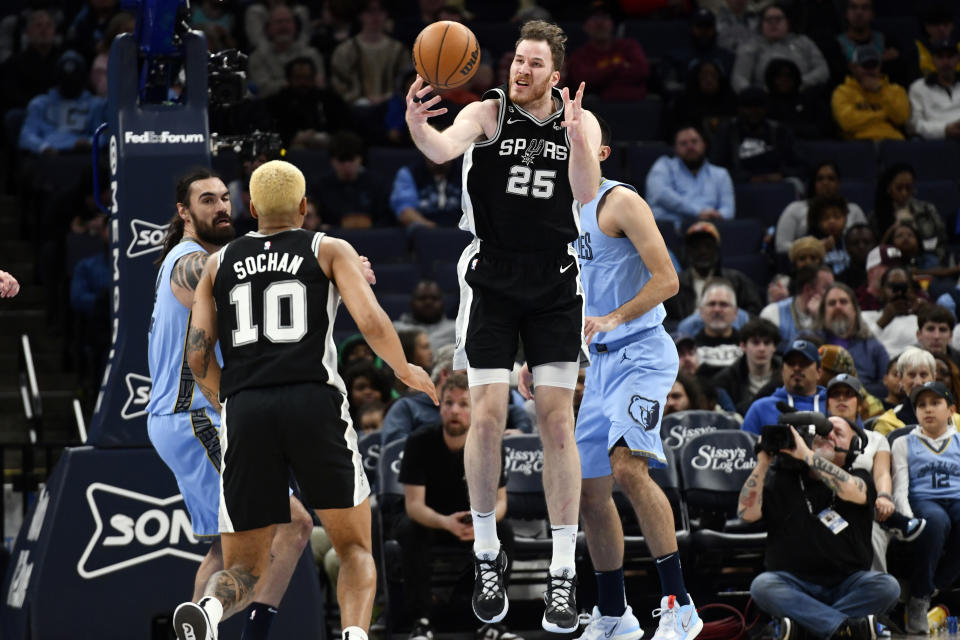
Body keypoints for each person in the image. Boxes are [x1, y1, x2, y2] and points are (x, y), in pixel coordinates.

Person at [175, 160, 438, 640]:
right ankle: (355, 636)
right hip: (313, 403)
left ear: (251, 209)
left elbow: (196, 358)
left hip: (247, 408)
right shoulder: (328, 248)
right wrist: (403, 370)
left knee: (245, 566)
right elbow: (373, 322)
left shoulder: (217, 263)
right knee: (355, 547)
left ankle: (210, 610)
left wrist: (228, 400)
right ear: (303, 208)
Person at [404, 19, 602, 632]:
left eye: (535, 64)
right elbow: (441, 147)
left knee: (555, 420)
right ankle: (487, 553)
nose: (522, 71)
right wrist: (416, 122)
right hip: (491, 275)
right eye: (518, 60)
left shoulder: (580, 121)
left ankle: (563, 574)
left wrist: (576, 141)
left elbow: (588, 193)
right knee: (486, 414)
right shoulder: (488, 115)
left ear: (555, 73)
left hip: (554, 282)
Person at [520, 120, 702, 640]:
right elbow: (561, 297)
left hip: (643, 352)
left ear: (600, 151)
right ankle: (615, 614)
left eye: (579, 140)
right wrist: (538, 353)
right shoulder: (558, 216)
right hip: (598, 364)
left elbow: (669, 280)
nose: (569, 149)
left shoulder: (619, 202)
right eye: (563, 142)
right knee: (590, 492)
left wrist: (616, 318)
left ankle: (680, 604)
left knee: (627, 470)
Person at [148, 170, 313, 640]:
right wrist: (325, 264)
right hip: (195, 416)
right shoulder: (189, 261)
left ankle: (206, 627)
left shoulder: (205, 259)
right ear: (184, 212)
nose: (222, 207)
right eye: (207, 200)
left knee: (231, 548)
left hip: (193, 418)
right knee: (292, 525)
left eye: (225, 198)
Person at [740, 415, 900, 639]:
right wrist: (763, 462)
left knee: (887, 587)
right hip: (794, 585)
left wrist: (807, 454)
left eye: (837, 433)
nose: (828, 436)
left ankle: (805, 628)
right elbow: (746, 513)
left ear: (854, 447)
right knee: (762, 586)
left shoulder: (858, 476)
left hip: (848, 584)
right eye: (822, 432)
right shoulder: (781, 477)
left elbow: (850, 490)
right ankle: (844, 628)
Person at [396, 373, 518, 640]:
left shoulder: (489, 442)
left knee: (504, 531)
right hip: (433, 522)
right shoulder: (420, 441)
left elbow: (501, 503)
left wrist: (482, 525)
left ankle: (492, 621)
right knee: (408, 529)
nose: (454, 410)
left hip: (475, 524)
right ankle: (421, 621)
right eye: (448, 403)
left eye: (463, 404)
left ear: (475, 410)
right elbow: (414, 506)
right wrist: (444, 522)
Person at [825, 374, 926, 572]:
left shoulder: (876, 439)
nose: (842, 399)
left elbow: (881, 475)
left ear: (860, 403)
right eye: (836, 395)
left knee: (872, 533)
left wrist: (885, 496)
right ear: (827, 402)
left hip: (865, 510)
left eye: (849, 394)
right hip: (827, 505)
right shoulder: (818, 436)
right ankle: (897, 523)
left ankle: (877, 594)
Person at [891, 381, 960, 634]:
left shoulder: (959, 440)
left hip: (957, 499)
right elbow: (900, 486)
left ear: (950, 409)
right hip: (924, 501)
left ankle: (934, 586)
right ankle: (919, 600)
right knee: (936, 521)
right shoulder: (903, 443)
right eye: (921, 405)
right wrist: (908, 520)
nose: (928, 410)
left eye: (935, 403)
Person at [664, 222, 762, 322]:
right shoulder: (675, 285)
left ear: (717, 249)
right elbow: (665, 321)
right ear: (688, 251)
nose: (703, 251)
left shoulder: (737, 280)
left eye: (708, 245)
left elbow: (754, 313)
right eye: (696, 246)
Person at [18, 49, 106, 155]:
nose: (69, 85)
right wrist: (42, 147)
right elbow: (26, 135)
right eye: (65, 81)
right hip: (48, 158)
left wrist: (90, 143)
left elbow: (103, 135)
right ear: (57, 79)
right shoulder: (39, 104)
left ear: (83, 79)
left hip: (82, 159)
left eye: (74, 81)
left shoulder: (96, 105)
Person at [645, 125, 734, 230]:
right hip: (669, 233)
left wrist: (714, 216)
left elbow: (728, 210)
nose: (690, 147)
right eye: (683, 143)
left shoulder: (721, 174)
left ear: (704, 144)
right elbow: (660, 194)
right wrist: (698, 212)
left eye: (694, 141)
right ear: (675, 148)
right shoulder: (663, 166)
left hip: (709, 233)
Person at [774, 163, 869, 257]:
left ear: (838, 183)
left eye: (831, 178)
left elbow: (867, 242)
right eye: (820, 179)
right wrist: (814, 247)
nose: (825, 183)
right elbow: (781, 246)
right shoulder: (795, 209)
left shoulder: (853, 209)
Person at [730, 3, 829, 93]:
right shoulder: (751, 46)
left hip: (803, 94)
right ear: (761, 24)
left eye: (778, 19)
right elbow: (739, 77)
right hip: (764, 101)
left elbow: (822, 70)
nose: (773, 23)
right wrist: (755, 95)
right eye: (768, 20)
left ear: (787, 22)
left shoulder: (803, 41)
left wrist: (800, 83)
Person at [564, 2, 650, 102]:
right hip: (598, 110)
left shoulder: (629, 46)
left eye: (605, 17)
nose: (600, 23)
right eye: (594, 18)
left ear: (613, 24)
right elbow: (582, 80)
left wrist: (602, 77)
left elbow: (642, 71)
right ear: (585, 26)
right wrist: (620, 66)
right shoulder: (579, 55)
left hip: (635, 106)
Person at [741, 339, 828, 435]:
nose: (796, 368)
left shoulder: (831, 405)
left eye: (804, 363)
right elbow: (745, 448)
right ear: (782, 371)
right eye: (791, 363)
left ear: (819, 372)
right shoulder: (761, 409)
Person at [871, 163, 947, 266]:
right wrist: (892, 230)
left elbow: (941, 241)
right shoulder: (877, 216)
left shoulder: (927, 210)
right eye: (899, 188)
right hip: (891, 264)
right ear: (889, 188)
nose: (904, 193)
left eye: (908, 188)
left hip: (927, 261)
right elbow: (875, 251)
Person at [817, 282, 889, 387]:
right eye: (832, 303)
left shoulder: (874, 347)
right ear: (823, 312)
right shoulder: (813, 342)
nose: (838, 307)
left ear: (855, 309)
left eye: (843, 302)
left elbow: (887, 385)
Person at [832, 45, 909, 141]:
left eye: (874, 65)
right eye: (865, 65)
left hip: (892, 141)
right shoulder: (843, 91)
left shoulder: (895, 90)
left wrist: (879, 91)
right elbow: (847, 123)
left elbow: (901, 118)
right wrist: (883, 115)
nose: (870, 70)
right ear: (853, 67)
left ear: (880, 66)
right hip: (859, 144)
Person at [711, 318, 782, 415]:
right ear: (743, 346)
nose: (762, 349)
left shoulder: (786, 375)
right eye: (755, 343)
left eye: (767, 343)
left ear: (774, 347)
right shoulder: (726, 379)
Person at [861, 265, 927, 357]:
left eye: (903, 287)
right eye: (893, 287)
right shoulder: (865, 317)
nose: (899, 293)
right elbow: (860, 350)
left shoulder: (922, 318)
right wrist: (882, 322)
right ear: (882, 290)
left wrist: (926, 315)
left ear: (912, 290)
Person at [760, 265, 835, 346]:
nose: (832, 294)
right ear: (808, 289)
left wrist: (820, 319)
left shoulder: (830, 315)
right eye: (826, 288)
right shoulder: (772, 313)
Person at [873, 346, 935, 436]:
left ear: (934, 378)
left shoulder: (954, 421)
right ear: (900, 379)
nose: (918, 382)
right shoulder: (887, 423)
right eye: (911, 375)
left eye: (923, 375)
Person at [908, 37, 960, 139]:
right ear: (932, 59)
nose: (946, 62)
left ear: (958, 58)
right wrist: (944, 130)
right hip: (934, 142)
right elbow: (914, 124)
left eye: (950, 56)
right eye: (940, 57)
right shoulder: (918, 87)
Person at [694, 279, 743, 379]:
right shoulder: (689, 349)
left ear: (735, 313)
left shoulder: (749, 347)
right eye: (711, 304)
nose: (717, 309)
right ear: (701, 311)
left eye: (724, 304)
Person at [393, 280, 457, 348]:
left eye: (434, 298)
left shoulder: (457, 329)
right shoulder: (395, 329)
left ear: (443, 303)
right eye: (422, 298)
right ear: (411, 303)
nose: (428, 302)